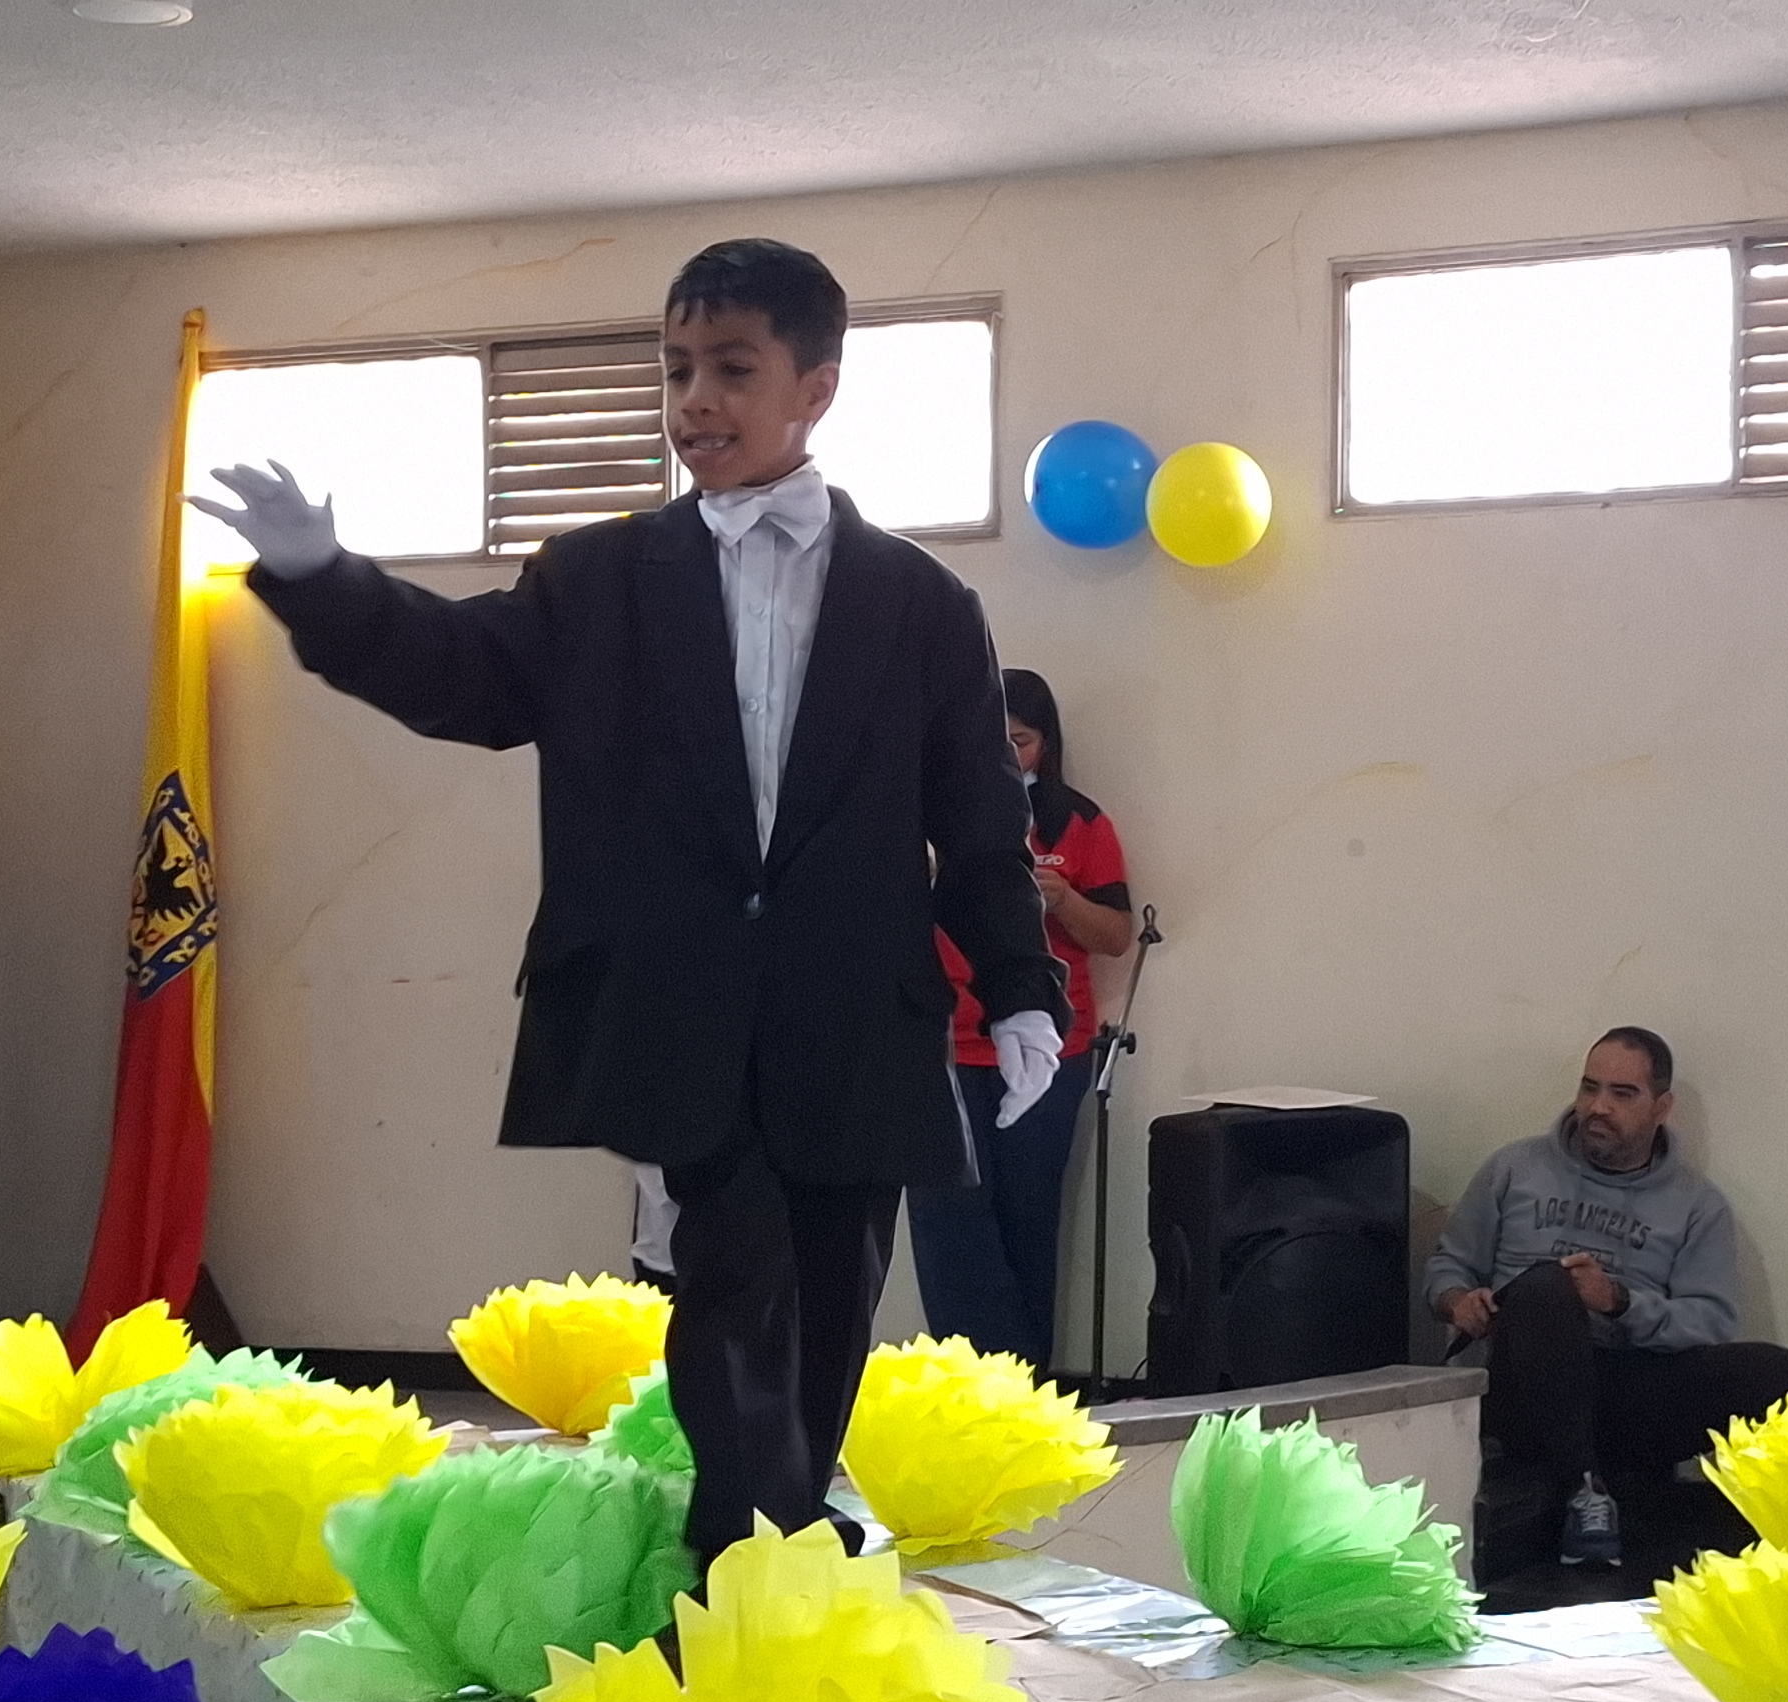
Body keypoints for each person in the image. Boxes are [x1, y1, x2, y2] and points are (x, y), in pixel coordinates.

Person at [191, 239, 1068, 1565]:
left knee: (833, 1290)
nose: (694, 401)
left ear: (816, 387)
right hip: (675, 1004)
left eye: (732, 369)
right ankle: (745, 1558)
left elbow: (980, 818)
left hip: (853, 1010)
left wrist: (1018, 990)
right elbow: (463, 676)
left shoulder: (924, 602)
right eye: (676, 371)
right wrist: (326, 580)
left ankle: (784, 1521)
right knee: (732, 1278)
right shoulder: (596, 578)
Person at [1427, 1028, 1788, 1568]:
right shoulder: (1514, 1169)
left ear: (1661, 1108)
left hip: (1624, 1387)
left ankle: (1758, 1535)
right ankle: (1582, 1488)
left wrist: (1618, 1300)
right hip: (1522, 1386)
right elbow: (1448, 1264)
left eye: (1622, 1094)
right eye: (1590, 1088)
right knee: (1547, 1287)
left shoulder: (1697, 1206)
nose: (1598, 1107)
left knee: (1776, 1371)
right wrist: (1458, 1301)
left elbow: (1710, 1322)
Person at [907, 669, 1132, 1368]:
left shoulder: (1080, 824)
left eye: (1022, 741)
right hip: (938, 1046)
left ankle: (1025, 1386)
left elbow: (1116, 935)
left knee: (1028, 1222)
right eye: (992, 740)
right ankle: (968, 1384)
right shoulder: (922, 815)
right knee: (947, 1227)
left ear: (1048, 743)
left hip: (1047, 1049)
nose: (1007, 755)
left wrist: (1062, 899)